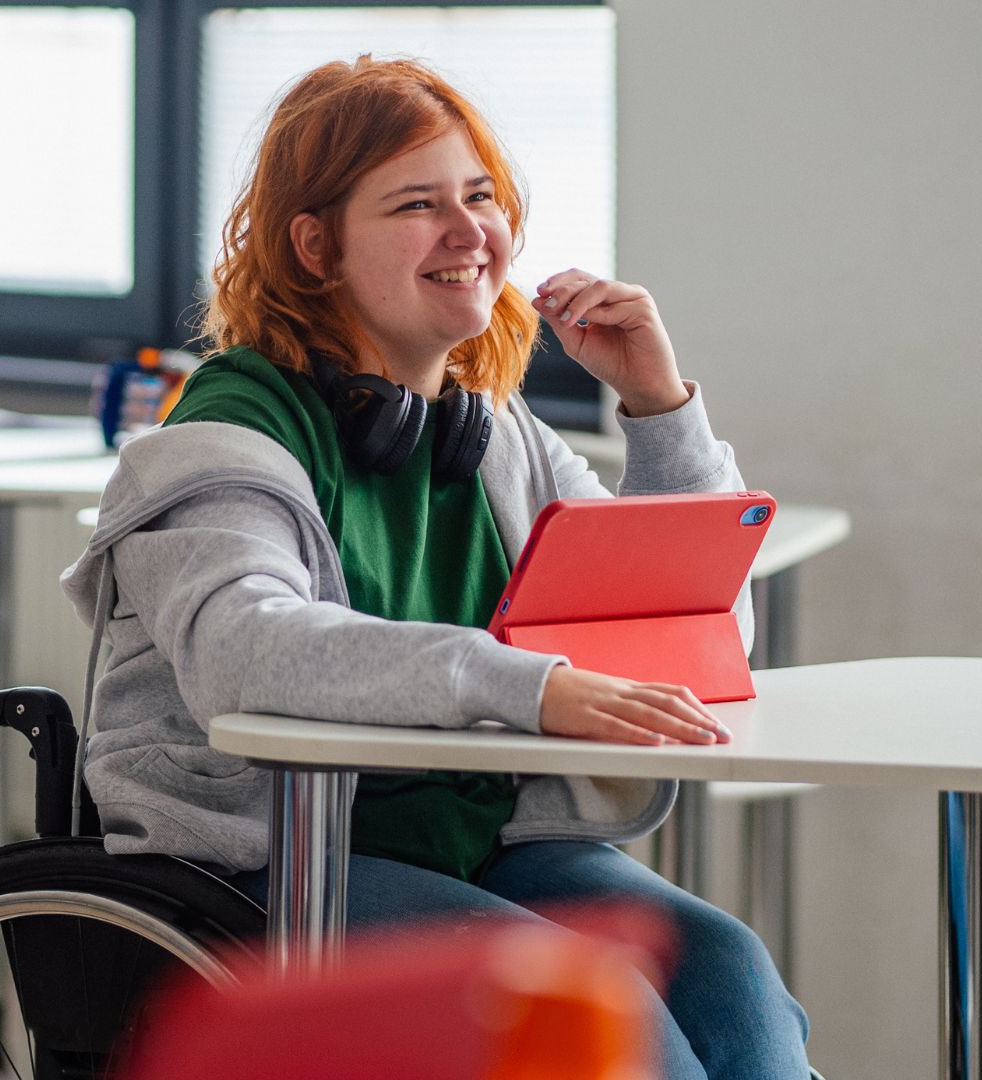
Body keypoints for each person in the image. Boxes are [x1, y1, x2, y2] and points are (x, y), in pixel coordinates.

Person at [61, 57, 810, 1079]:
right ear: (316, 247)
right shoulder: (224, 432)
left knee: (731, 973)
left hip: (485, 849)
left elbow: (685, 635)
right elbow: (245, 649)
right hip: (271, 864)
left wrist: (658, 407)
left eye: (481, 196)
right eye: (418, 204)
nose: (469, 232)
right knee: (606, 1020)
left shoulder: (493, 431)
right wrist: (525, 684)